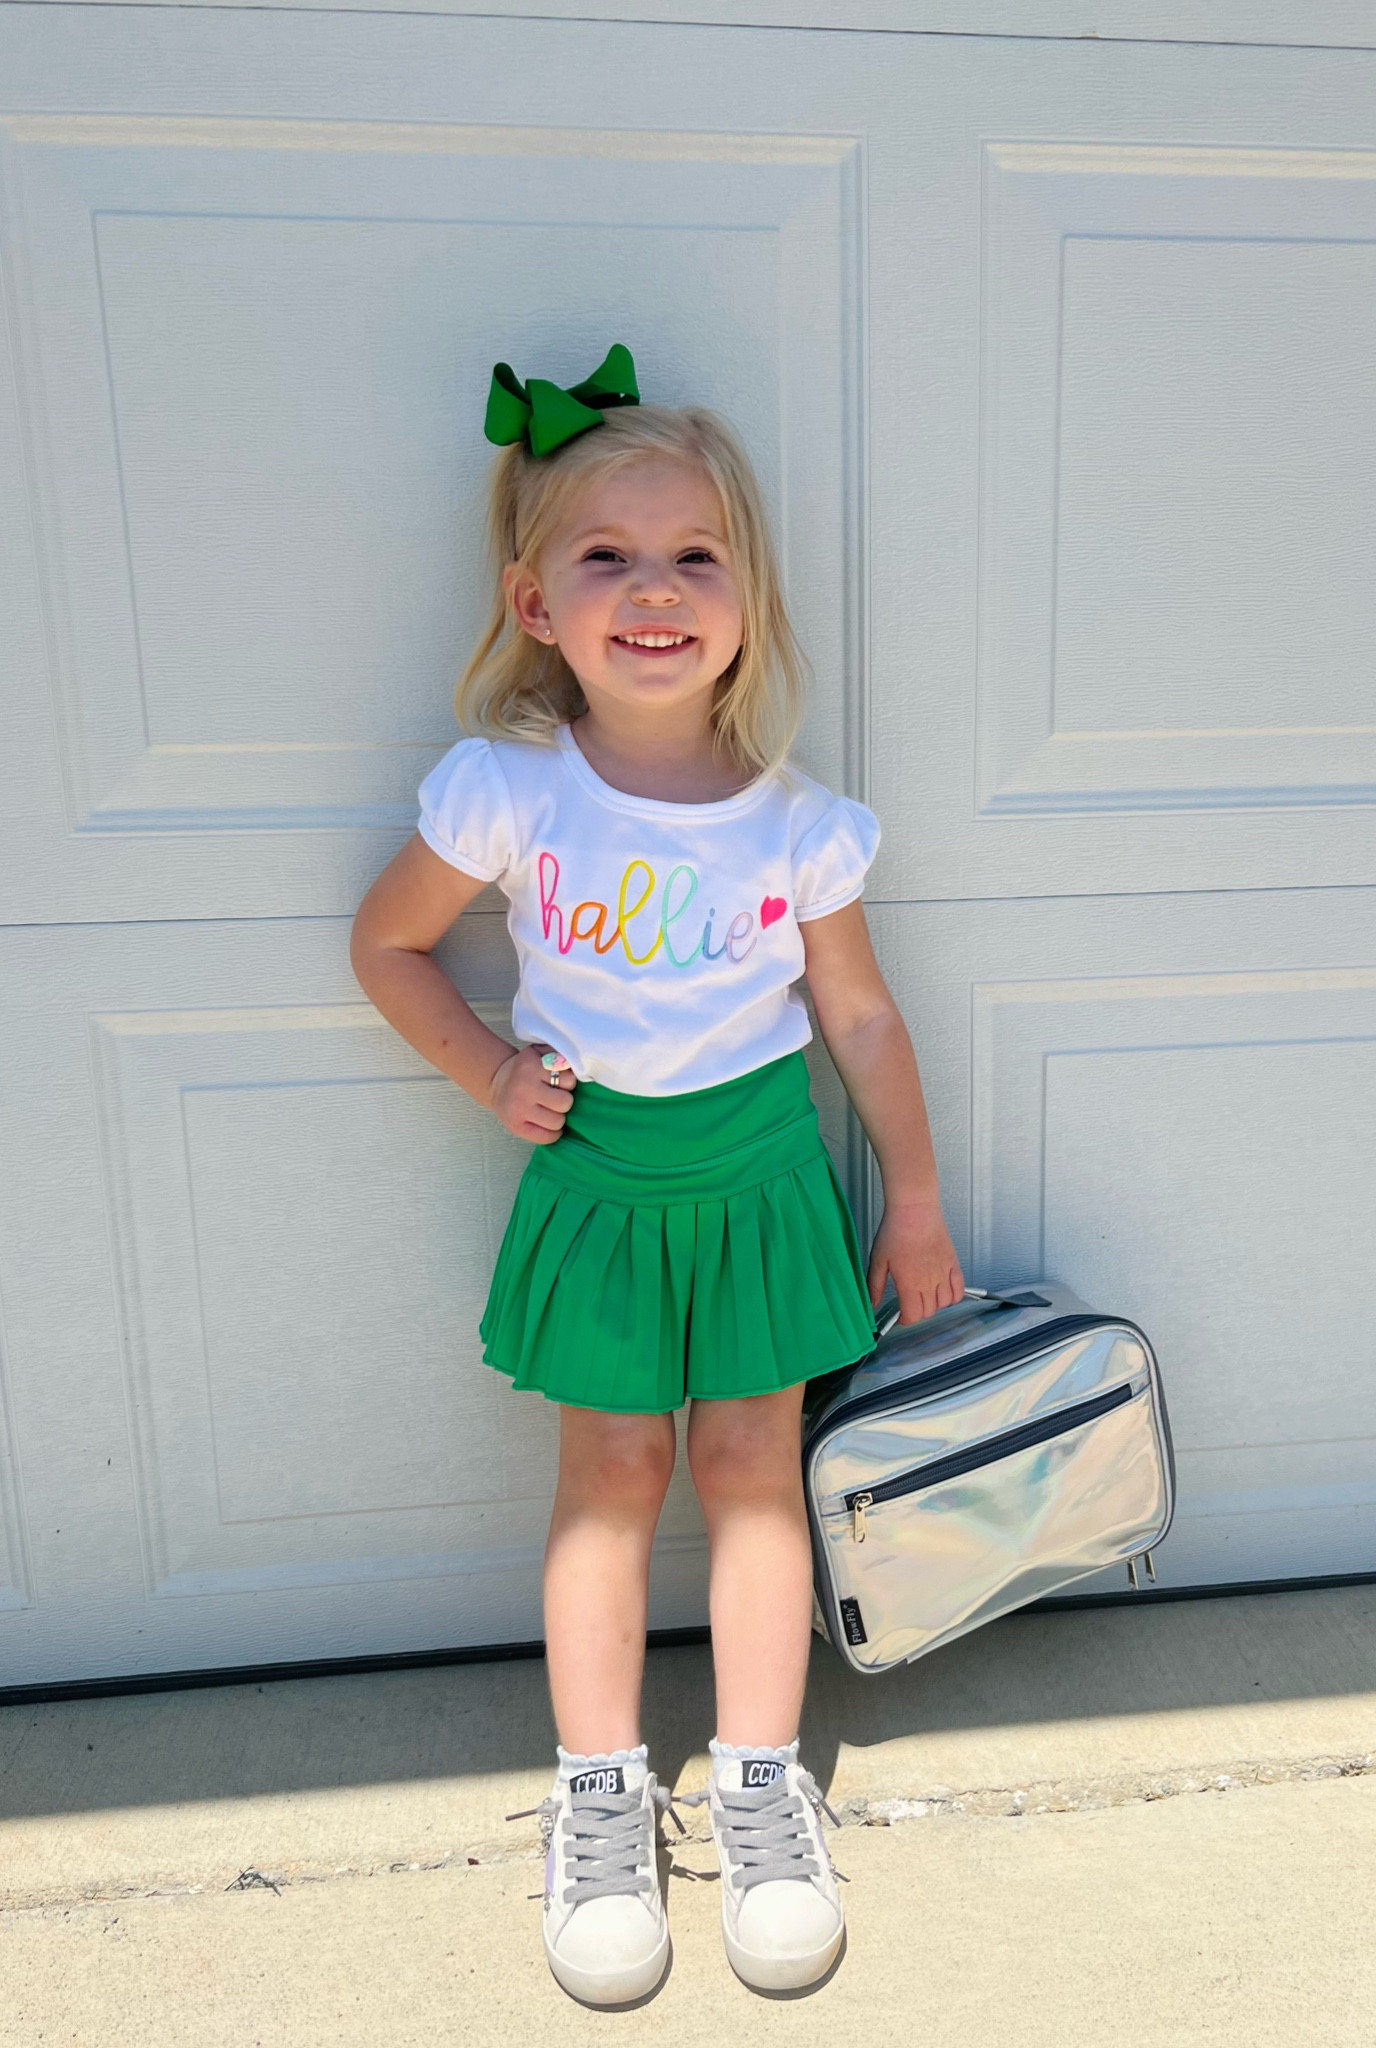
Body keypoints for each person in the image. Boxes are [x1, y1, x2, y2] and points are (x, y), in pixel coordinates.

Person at [350, 346, 963, 2004]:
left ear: (748, 597)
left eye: (695, 556)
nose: (655, 591)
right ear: (534, 600)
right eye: (607, 556)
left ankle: (763, 1787)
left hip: (759, 1175)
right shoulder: (509, 790)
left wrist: (910, 1197)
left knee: (758, 1474)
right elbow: (390, 944)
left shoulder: (797, 822)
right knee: (614, 1477)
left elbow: (859, 1014)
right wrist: (490, 1069)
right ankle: (600, 1795)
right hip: (602, 1182)